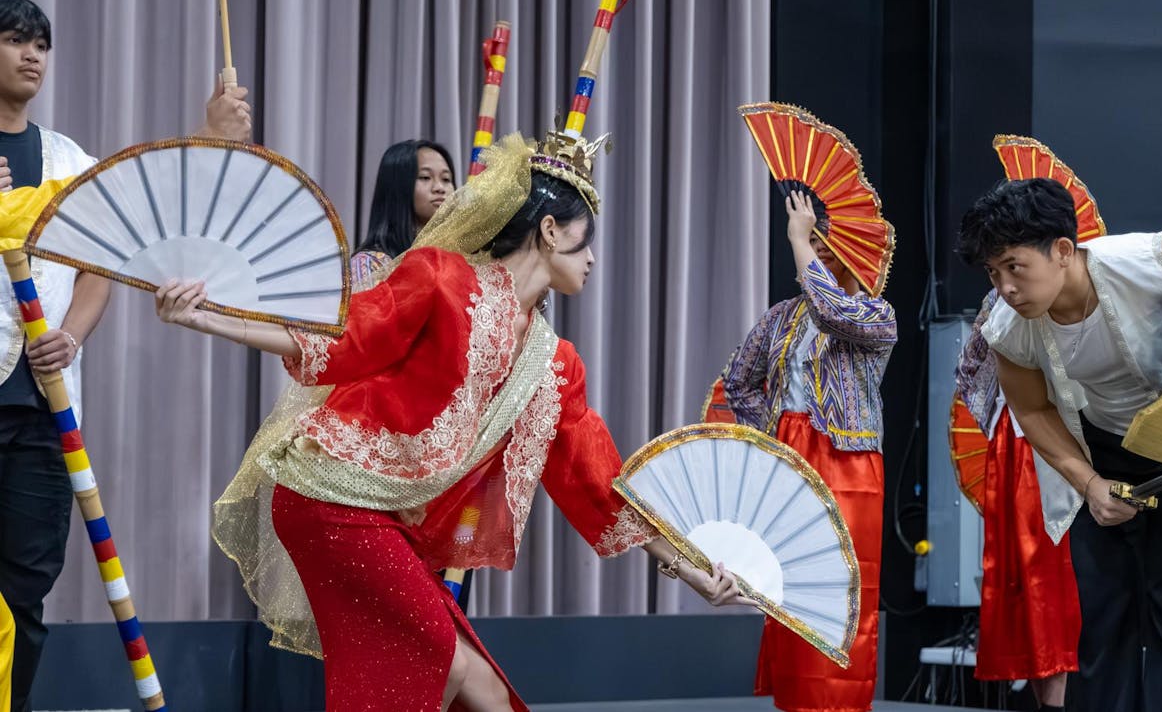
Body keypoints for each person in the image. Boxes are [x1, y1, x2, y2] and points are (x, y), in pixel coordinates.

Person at [156, 132, 744, 711]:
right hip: (327, 501)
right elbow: (342, 336)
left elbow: (598, 483)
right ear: (548, 231)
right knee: (442, 660)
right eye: (585, 241)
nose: (592, 259)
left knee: (480, 687)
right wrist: (207, 317)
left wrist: (691, 569)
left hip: (390, 521)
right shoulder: (440, 277)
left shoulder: (554, 364)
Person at [0, 0, 249, 712]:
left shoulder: (68, 161)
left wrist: (73, 332)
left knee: (25, 584)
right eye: (16, 39)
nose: (32, 55)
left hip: (45, 414)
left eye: (41, 43)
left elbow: (105, 256)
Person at [955, 177, 1162, 712]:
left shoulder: (1144, 262)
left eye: (1015, 266)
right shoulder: (1009, 328)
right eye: (993, 272)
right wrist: (1091, 485)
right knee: (1104, 619)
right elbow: (1031, 409)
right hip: (1102, 450)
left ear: (1063, 251)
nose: (1004, 287)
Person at [723, 190, 897, 712]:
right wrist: (772, 432)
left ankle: (840, 703)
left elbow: (829, 311)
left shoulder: (875, 313)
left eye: (825, 240)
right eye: (813, 239)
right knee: (790, 587)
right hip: (792, 459)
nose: (819, 249)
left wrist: (798, 240)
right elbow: (739, 382)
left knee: (842, 590)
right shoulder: (780, 318)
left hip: (848, 465)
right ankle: (797, 701)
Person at [955, 289, 1079, 712]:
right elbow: (969, 365)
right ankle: (1046, 699)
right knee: (1021, 576)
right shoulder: (997, 297)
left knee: (1055, 574)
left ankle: (1059, 700)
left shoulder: (1082, 282)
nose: (1006, 279)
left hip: (1056, 438)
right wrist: (993, 411)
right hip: (1014, 439)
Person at [351, 139, 455, 288]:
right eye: (425, 177)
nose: (440, 188)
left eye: (446, 179)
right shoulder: (371, 265)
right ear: (397, 187)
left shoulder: (455, 260)